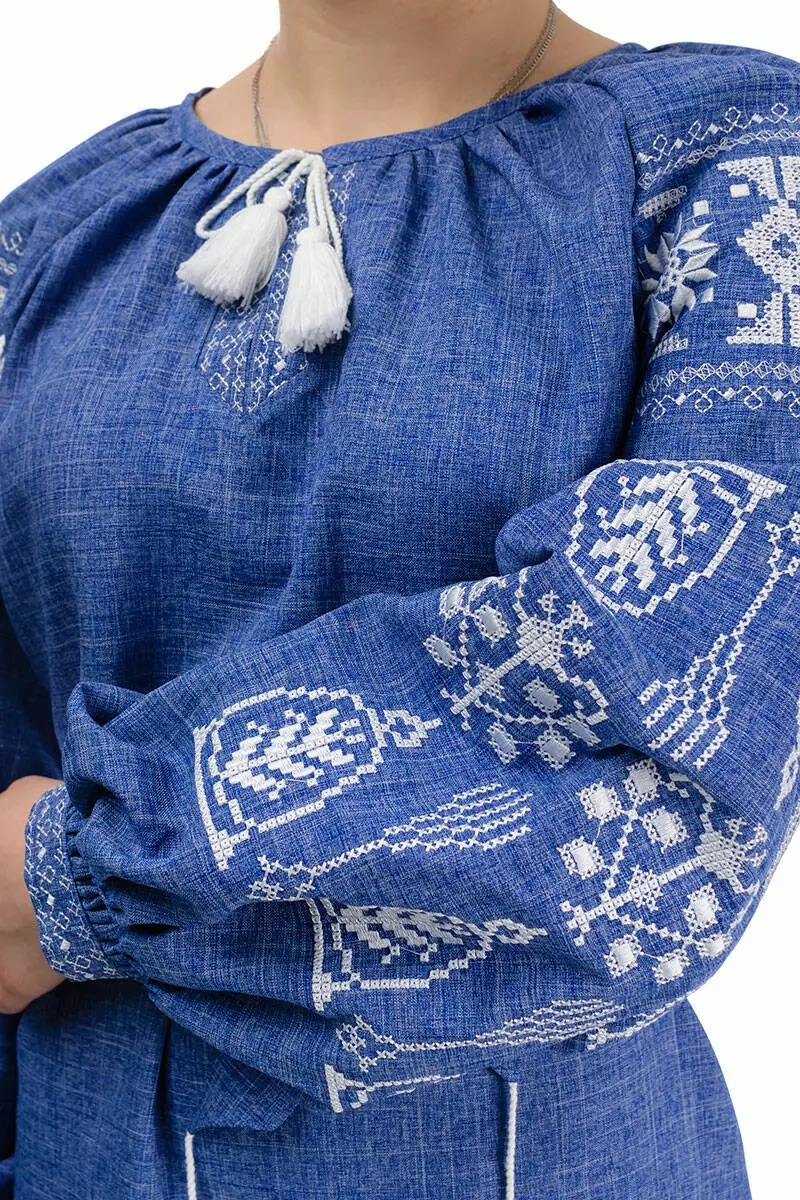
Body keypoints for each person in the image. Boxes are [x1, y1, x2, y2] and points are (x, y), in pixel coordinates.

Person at [0, 1, 798, 1195]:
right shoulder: (59, 226)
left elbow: (677, 751)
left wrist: (80, 871)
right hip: (74, 1147)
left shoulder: (740, 164)